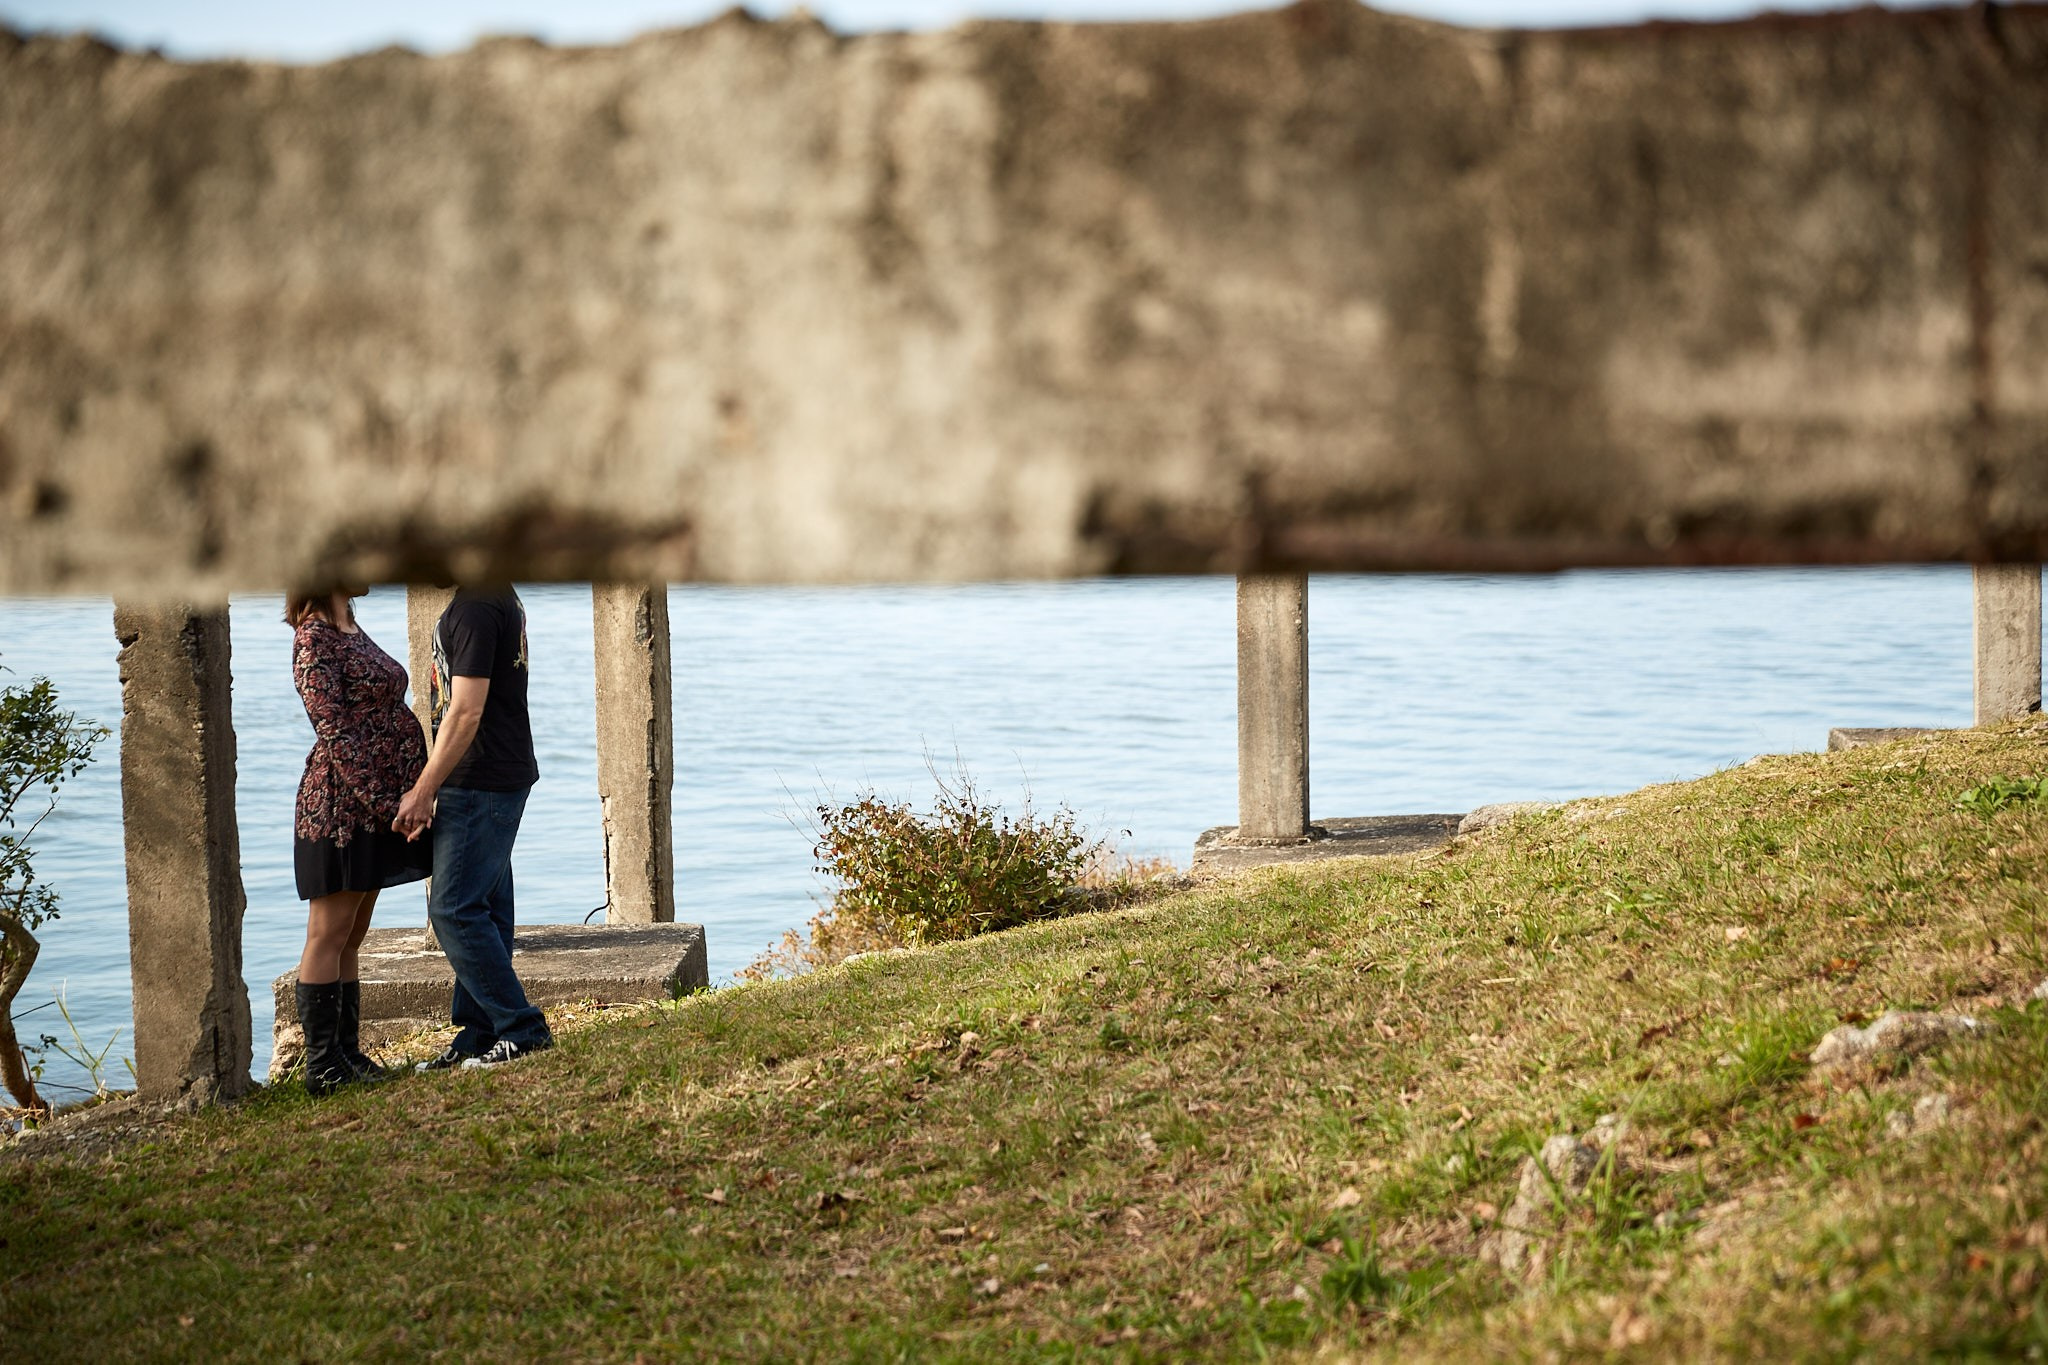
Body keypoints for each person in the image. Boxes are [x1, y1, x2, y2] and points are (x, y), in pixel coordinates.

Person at [394, 584, 554, 1071]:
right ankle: (480, 1032)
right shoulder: (492, 594)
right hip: (491, 775)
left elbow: (465, 708)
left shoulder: (478, 605)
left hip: (479, 779)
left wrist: (424, 790)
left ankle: (520, 1030)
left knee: (454, 909)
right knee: (484, 908)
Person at [289, 586, 432, 1096]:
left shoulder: (348, 624)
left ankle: (346, 1054)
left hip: (374, 807)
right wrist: (385, 800)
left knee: (352, 935)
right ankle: (322, 1066)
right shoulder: (313, 639)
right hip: (341, 809)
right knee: (328, 933)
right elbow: (335, 733)